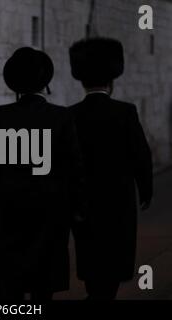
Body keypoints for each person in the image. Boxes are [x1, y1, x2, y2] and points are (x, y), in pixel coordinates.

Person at [0, 47, 84, 300]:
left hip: (8, 208)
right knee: (44, 282)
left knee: (11, 284)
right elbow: (73, 167)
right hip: (50, 210)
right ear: (45, 81)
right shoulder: (61, 116)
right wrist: (75, 208)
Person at [69, 37, 153, 300]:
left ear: (82, 81)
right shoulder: (126, 111)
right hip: (119, 199)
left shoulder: (71, 114)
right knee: (115, 254)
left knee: (90, 253)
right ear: (112, 82)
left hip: (85, 200)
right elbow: (141, 154)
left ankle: (95, 294)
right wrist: (146, 189)